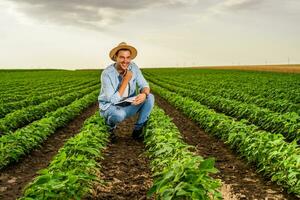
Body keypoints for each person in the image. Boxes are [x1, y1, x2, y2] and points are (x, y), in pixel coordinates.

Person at [98, 42, 155, 142]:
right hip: (111, 107)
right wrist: (126, 80)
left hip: (129, 104)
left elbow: (144, 85)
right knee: (118, 115)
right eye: (122, 57)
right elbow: (112, 100)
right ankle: (110, 128)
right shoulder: (106, 74)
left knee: (150, 97)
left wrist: (143, 94)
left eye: (128, 57)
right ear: (115, 57)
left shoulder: (133, 67)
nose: (125, 61)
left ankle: (138, 130)